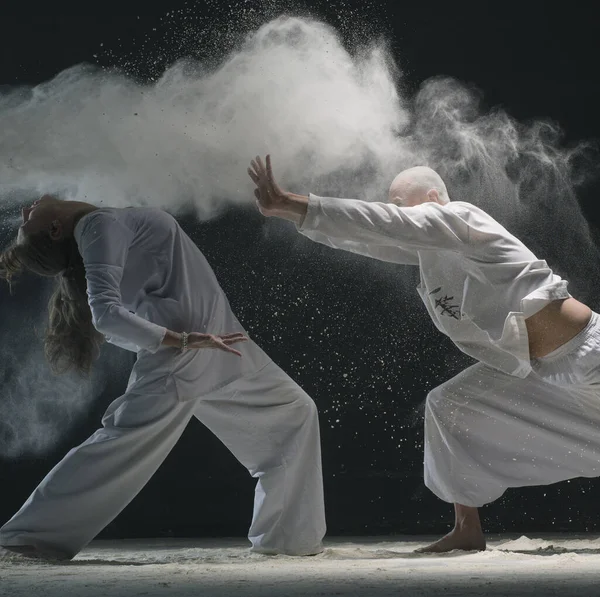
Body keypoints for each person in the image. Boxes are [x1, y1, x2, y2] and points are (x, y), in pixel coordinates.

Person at [248, 155, 599, 553]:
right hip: (539, 369)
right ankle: (467, 529)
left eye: (401, 204)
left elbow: (385, 223)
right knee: (450, 403)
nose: (396, 214)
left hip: (589, 354)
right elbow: (367, 236)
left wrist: (296, 201)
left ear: (434, 197)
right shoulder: (431, 254)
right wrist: (296, 215)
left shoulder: (463, 218)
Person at [0, 195, 325, 560]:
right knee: (120, 444)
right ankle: (25, 537)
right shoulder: (96, 226)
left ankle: (288, 540)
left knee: (293, 413)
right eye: (29, 220)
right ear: (56, 229)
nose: (26, 210)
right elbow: (105, 316)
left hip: (222, 342)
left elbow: (114, 321)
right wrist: (180, 340)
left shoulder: (105, 221)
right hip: (189, 351)